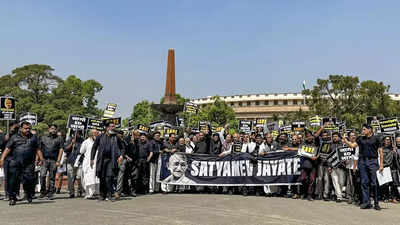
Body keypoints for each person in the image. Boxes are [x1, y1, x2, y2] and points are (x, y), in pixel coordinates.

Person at [0, 121, 44, 206]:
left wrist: (41, 159)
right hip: (16, 162)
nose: (28, 130)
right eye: (26, 128)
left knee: (29, 180)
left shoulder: (34, 138)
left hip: (29, 164)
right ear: (21, 128)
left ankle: (28, 194)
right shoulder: (14, 137)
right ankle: (12, 198)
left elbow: (38, 149)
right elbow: (8, 148)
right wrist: (2, 159)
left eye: (29, 128)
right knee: (13, 181)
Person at [343, 124, 382, 210]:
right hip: (363, 162)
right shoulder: (360, 139)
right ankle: (366, 202)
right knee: (364, 182)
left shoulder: (376, 138)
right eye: (362, 129)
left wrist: (381, 165)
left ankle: (376, 203)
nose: (362, 131)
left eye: (364, 129)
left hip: (373, 162)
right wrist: (345, 140)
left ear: (369, 130)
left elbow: (381, 152)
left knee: (374, 183)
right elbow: (353, 145)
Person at [90, 122, 124, 201]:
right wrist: (91, 159)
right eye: (112, 126)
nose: (113, 128)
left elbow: (122, 148)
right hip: (101, 160)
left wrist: (121, 155)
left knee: (109, 177)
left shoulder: (116, 137)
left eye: (114, 127)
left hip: (111, 160)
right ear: (107, 128)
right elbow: (94, 147)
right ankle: (102, 195)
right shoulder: (100, 136)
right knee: (102, 177)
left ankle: (111, 194)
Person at [39, 124, 64, 199]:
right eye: (51, 129)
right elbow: (39, 149)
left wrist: (58, 161)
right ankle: (43, 191)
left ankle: (50, 192)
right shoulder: (43, 138)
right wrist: (39, 159)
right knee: (42, 175)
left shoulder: (59, 139)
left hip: (54, 160)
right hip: (44, 159)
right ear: (49, 129)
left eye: (54, 129)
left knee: (52, 177)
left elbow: (61, 150)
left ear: (56, 130)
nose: (53, 130)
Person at [80, 129, 99, 199]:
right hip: (88, 163)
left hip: (96, 162)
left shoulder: (98, 141)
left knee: (95, 178)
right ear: (91, 134)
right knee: (89, 178)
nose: (96, 134)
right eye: (95, 133)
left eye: (97, 133)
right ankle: (88, 193)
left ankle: (95, 193)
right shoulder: (86, 142)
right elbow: (81, 151)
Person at [64, 130, 84, 198]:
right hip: (70, 161)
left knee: (79, 177)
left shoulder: (83, 141)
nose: (77, 134)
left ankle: (80, 191)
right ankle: (71, 192)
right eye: (76, 133)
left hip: (79, 161)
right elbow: (65, 149)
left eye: (78, 133)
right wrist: (71, 144)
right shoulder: (69, 140)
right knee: (71, 178)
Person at [379, 136, 399, 203]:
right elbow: (380, 159)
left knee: (394, 183)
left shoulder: (393, 149)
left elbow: (396, 159)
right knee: (386, 184)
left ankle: (393, 197)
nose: (388, 141)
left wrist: (395, 153)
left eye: (389, 140)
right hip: (385, 168)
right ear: (384, 141)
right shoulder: (381, 149)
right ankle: (386, 197)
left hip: (393, 168)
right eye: (386, 140)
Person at [344, 131, 361, 205]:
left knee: (357, 183)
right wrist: (345, 160)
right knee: (350, 183)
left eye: (354, 135)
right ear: (349, 137)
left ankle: (357, 197)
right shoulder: (345, 145)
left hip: (358, 166)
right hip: (349, 166)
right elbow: (342, 154)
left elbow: (357, 155)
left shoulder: (358, 144)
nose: (353, 137)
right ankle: (350, 197)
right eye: (351, 135)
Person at [329, 132, 346, 203]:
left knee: (341, 182)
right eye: (333, 136)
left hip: (341, 166)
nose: (334, 138)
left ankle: (340, 193)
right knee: (335, 181)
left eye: (336, 136)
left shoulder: (343, 144)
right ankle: (339, 196)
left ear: (339, 137)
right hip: (333, 167)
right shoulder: (330, 145)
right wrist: (329, 166)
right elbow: (328, 156)